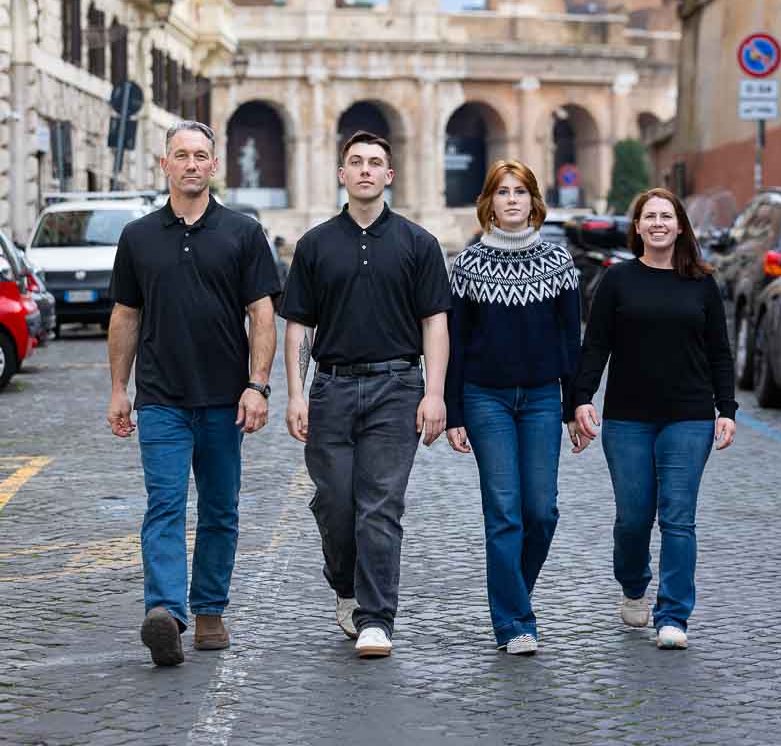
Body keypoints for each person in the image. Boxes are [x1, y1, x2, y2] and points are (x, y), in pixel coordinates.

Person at [107, 121, 282, 667]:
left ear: (213, 166)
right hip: (160, 397)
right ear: (165, 165)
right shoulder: (137, 237)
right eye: (180, 155)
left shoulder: (243, 233)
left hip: (225, 400)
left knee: (220, 510)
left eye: (200, 156)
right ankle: (165, 613)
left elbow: (262, 314)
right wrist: (118, 388)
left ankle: (209, 611)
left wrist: (258, 385)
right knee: (164, 504)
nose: (190, 164)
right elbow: (125, 315)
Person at [282, 130, 450, 660]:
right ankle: (345, 586)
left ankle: (377, 618)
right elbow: (297, 327)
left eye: (375, 163)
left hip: (398, 388)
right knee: (334, 503)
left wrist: (436, 393)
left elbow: (435, 323)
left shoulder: (418, 244)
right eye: (355, 162)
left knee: (379, 505)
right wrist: (295, 393)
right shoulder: (314, 245)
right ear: (341, 174)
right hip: (330, 387)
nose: (364, 170)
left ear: (389, 176)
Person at [572, 187, 737, 650]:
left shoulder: (703, 283)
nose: (659, 223)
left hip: (689, 417)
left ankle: (674, 614)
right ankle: (632, 583)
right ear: (638, 227)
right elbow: (595, 346)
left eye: (667, 216)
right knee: (632, 518)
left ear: (680, 226)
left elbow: (720, 354)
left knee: (679, 518)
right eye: (650, 216)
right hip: (627, 419)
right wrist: (581, 399)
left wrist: (727, 409)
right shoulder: (618, 281)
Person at [445, 160, 581, 655]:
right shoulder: (467, 264)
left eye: (520, 192)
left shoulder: (559, 262)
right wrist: (455, 412)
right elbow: (456, 345)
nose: (512, 201)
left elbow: (572, 341)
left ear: (534, 202)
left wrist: (575, 405)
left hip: (544, 398)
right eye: (502, 192)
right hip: (486, 400)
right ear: (489, 203)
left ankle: (512, 593)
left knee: (541, 511)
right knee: (504, 512)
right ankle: (514, 622)